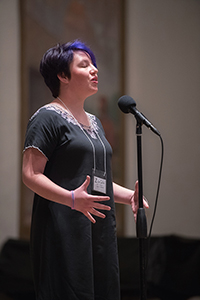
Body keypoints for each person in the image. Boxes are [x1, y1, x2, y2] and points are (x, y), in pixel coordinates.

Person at [22, 40, 149, 300]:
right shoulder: (47, 117)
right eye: (84, 65)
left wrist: (128, 197)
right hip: (63, 228)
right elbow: (30, 175)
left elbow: (95, 180)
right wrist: (71, 198)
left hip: (98, 228)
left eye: (94, 64)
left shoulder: (95, 122)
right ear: (62, 75)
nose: (95, 70)